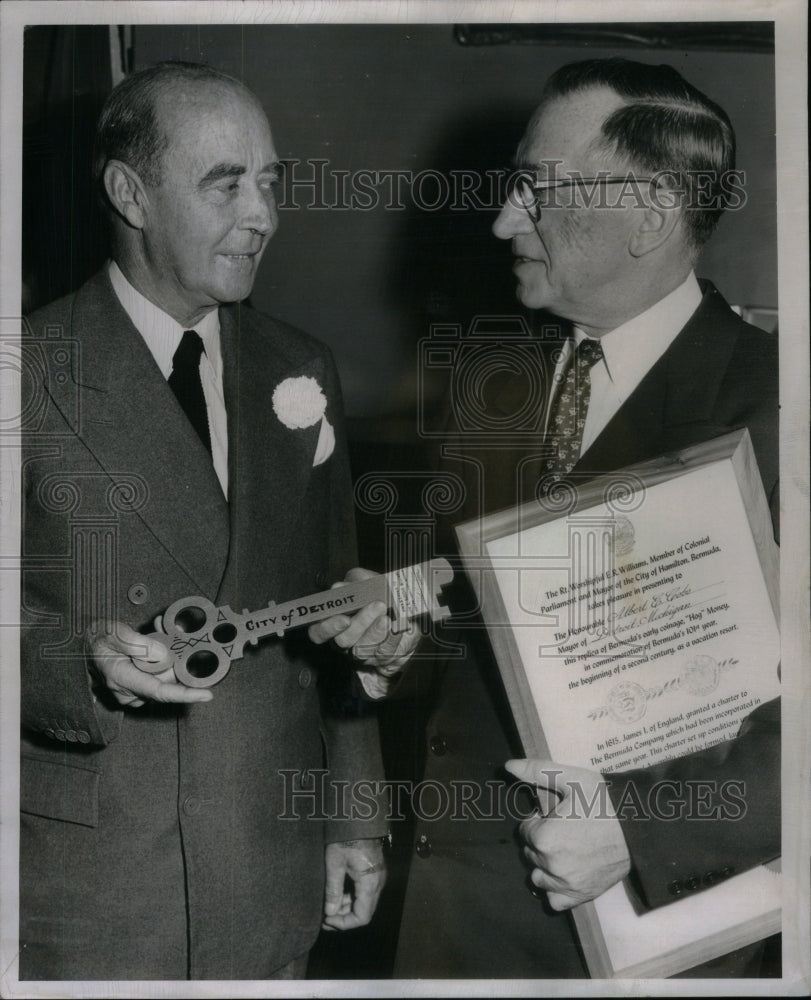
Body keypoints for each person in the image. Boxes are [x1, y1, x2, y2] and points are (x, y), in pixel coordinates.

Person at [18, 60, 416, 981]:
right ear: (130, 193)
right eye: (224, 183)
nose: (263, 215)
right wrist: (80, 659)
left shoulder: (301, 367)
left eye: (269, 182)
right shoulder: (25, 370)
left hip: (269, 871)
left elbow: (337, 607)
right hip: (91, 888)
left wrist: (353, 816)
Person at [386, 58, 780, 977]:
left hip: (645, 941)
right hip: (449, 925)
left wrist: (642, 830)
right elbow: (472, 630)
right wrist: (396, 635)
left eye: (533, 189)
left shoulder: (775, 403)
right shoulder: (498, 382)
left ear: (648, 214)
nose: (500, 221)